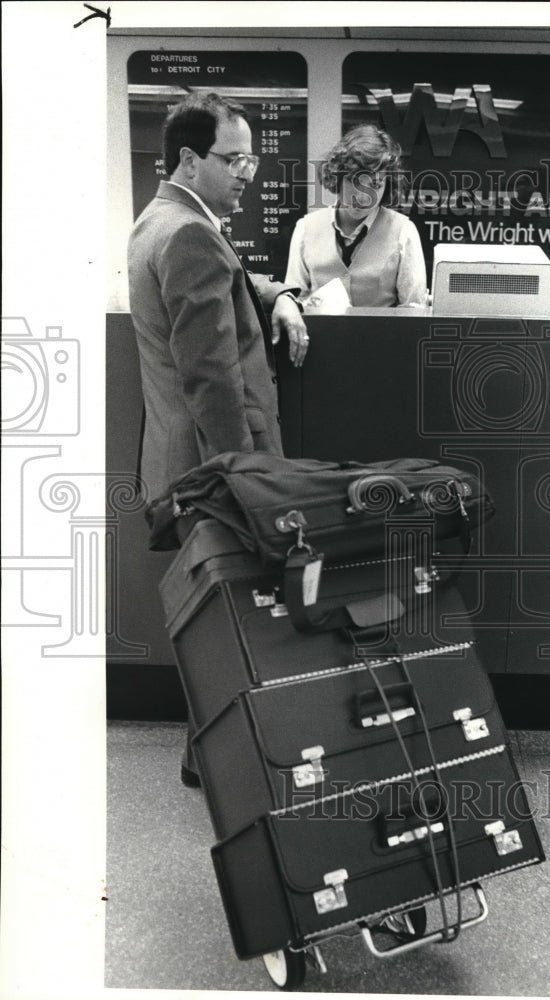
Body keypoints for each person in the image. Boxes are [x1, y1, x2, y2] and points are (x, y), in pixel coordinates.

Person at [127, 91, 309, 787]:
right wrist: (245, 480)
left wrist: (276, 293)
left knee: (222, 612)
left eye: (251, 158)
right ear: (189, 158)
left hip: (182, 459)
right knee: (237, 609)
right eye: (234, 160)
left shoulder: (161, 221)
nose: (248, 173)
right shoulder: (191, 233)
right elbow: (210, 376)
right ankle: (219, 755)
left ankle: (212, 751)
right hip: (217, 464)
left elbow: (216, 287)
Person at [285, 124, 427, 309]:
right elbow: (294, 306)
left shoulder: (403, 232)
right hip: (319, 337)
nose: (362, 197)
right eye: (354, 181)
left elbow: (413, 310)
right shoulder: (305, 229)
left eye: (375, 184)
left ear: (387, 186)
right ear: (337, 177)